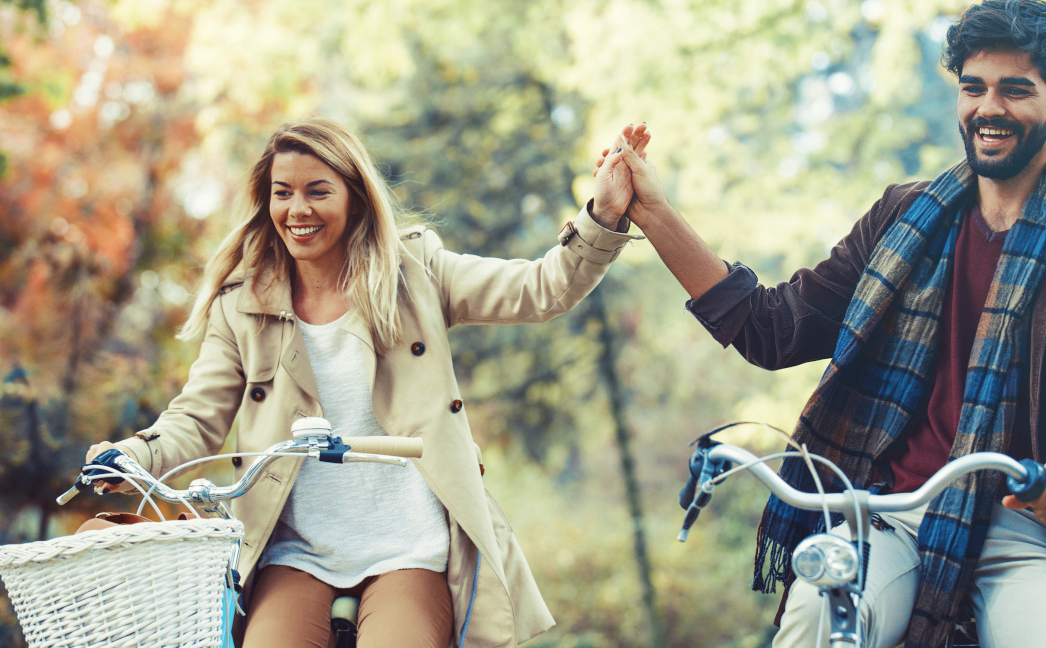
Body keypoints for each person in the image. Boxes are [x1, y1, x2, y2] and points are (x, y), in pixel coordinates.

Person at [602, 0, 1046, 648]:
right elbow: (773, 327)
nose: (989, 108)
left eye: (1016, 90)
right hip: (892, 508)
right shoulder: (905, 218)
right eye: (973, 88)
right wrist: (653, 212)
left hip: (1030, 522)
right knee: (816, 617)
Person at [84, 117, 650, 648]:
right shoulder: (243, 306)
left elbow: (542, 288)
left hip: (408, 547)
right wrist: (132, 455)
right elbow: (196, 419)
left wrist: (600, 216)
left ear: (354, 196)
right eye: (282, 192)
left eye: (317, 191)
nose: (297, 209)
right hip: (295, 550)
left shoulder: (416, 272)